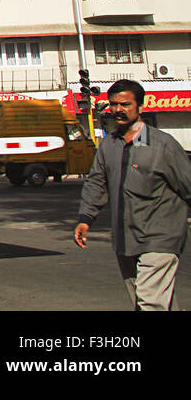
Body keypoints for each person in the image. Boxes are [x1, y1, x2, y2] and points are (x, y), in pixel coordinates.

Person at [74, 80, 191, 310]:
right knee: (147, 300)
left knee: (150, 301)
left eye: (125, 104)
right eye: (114, 104)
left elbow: (188, 184)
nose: (119, 110)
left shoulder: (163, 146)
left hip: (160, 237)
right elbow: (97, 181)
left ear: (141, 106)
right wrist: (86, 218)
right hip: (126, 238)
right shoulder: (109, 145)